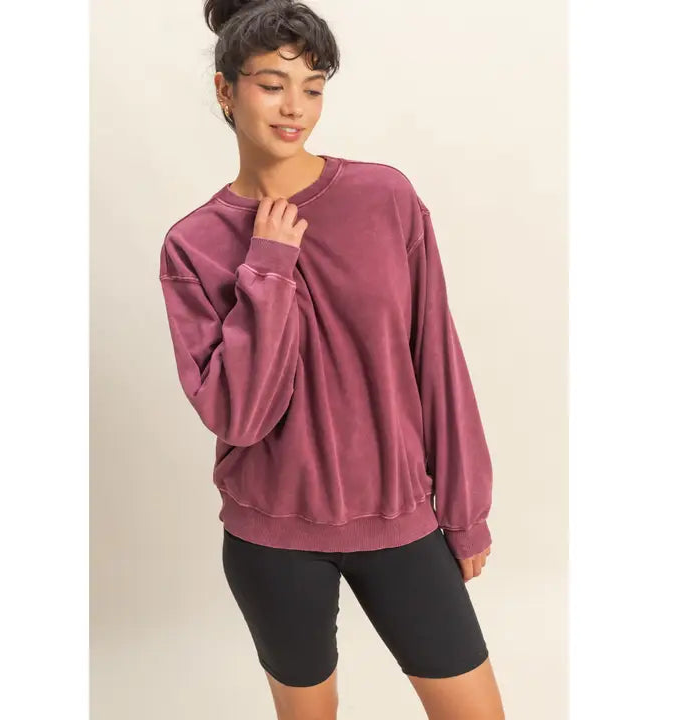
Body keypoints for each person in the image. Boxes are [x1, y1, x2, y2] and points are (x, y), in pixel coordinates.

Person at [158, 1, 505, 718]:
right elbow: (240, 417)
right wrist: (268, 266)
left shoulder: (385, 197)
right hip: (271, 540)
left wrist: (465, 510)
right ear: (226, 90)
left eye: (313, 87)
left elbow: (436, 357)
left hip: (401, 520)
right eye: (272, 84)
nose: (296, 108)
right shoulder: (193, 245)